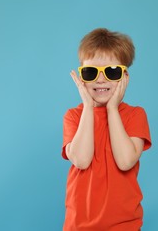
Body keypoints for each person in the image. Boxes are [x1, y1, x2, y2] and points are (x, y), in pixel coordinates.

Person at [62, 28, 151, 231]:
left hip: (124, 225)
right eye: (91, 72)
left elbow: (126, 161)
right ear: (82, 76)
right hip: (79, 225)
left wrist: (112, 108)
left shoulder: (135, 115)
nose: (101, 80)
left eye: (111, 72)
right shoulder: (74, 116)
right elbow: (81, 160)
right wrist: (88, 106)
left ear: (124, 76)